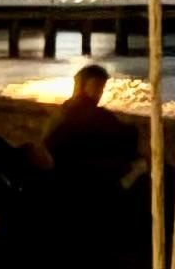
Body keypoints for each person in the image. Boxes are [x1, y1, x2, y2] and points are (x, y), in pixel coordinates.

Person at [40, 62, 138, 190]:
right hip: (73, 174)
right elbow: (125, 134)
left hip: (59, 170)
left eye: (102, 88)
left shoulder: (65, 108)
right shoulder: (85, 111)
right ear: (83, 86)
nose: (100, 93)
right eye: (97, 87)